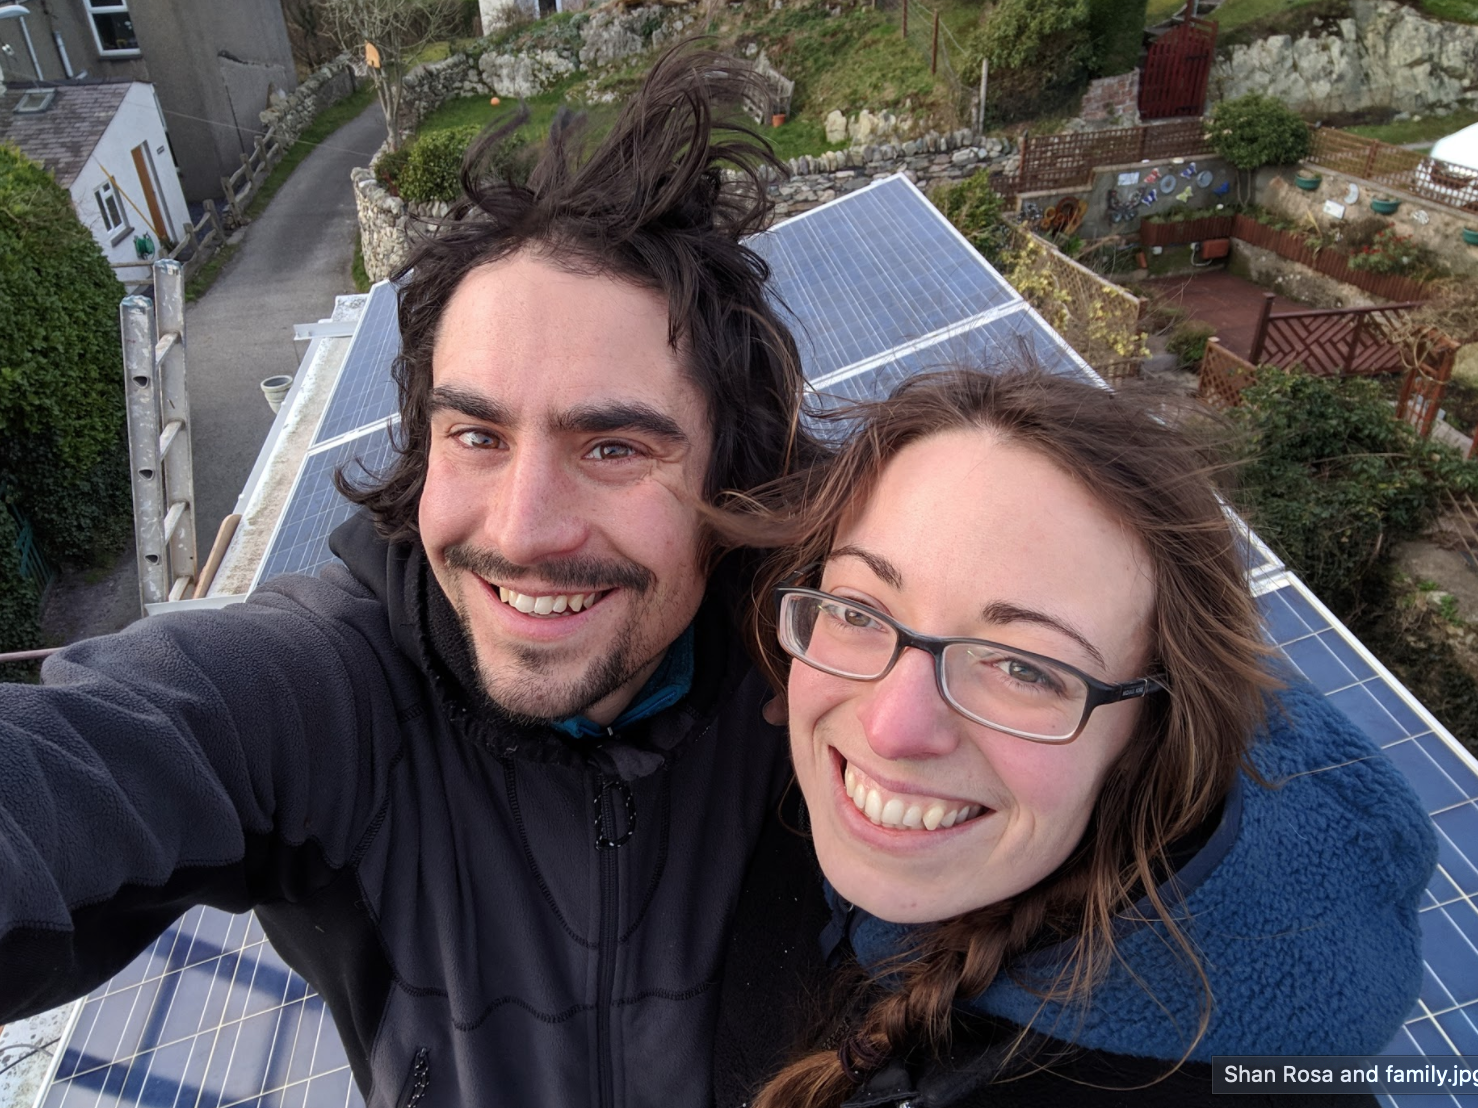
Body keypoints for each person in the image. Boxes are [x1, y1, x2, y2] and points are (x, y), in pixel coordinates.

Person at [0, 48, 818, 1106]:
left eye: (613, 447)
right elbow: (81, 765)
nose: (521, 529)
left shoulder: (831, 689)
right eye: (475, 434)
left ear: (731, 476)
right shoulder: (330, 695)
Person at [711, 369, 1435, 1108]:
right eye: (861, 613)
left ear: (1152, 735)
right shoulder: (769, 791)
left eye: (1024, 667)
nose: (892, 729)